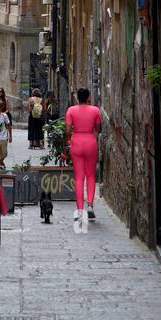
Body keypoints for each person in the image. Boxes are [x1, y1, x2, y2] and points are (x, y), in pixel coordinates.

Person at [65, 87, 102, 231]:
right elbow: (98, 129)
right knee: (91, 175)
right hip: (90, 141)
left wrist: (68, 140)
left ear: (77, 98)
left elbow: (67, 130)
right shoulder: (95, 110)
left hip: (77, 141)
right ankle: (90, 205)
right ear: (88, 97)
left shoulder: (71, 110)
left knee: (79, 177)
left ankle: (80, 210)